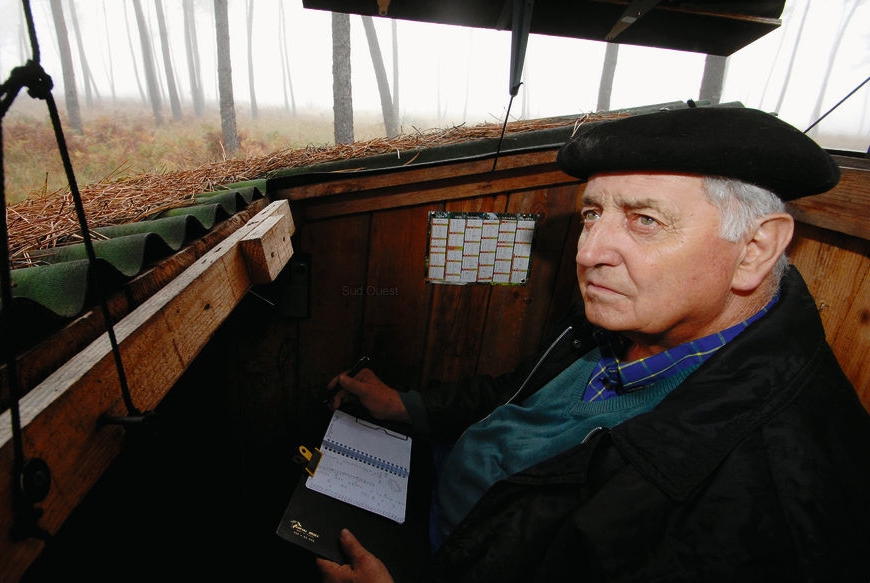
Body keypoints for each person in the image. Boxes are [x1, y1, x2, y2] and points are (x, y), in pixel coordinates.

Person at [316, 105, 870, 583]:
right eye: (591, 214)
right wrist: (408, 407)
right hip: (439, 483)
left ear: (754, 248)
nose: (588, 253)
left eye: (644, 220)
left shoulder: (758, 496)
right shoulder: (629, 316)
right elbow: (522, 395)